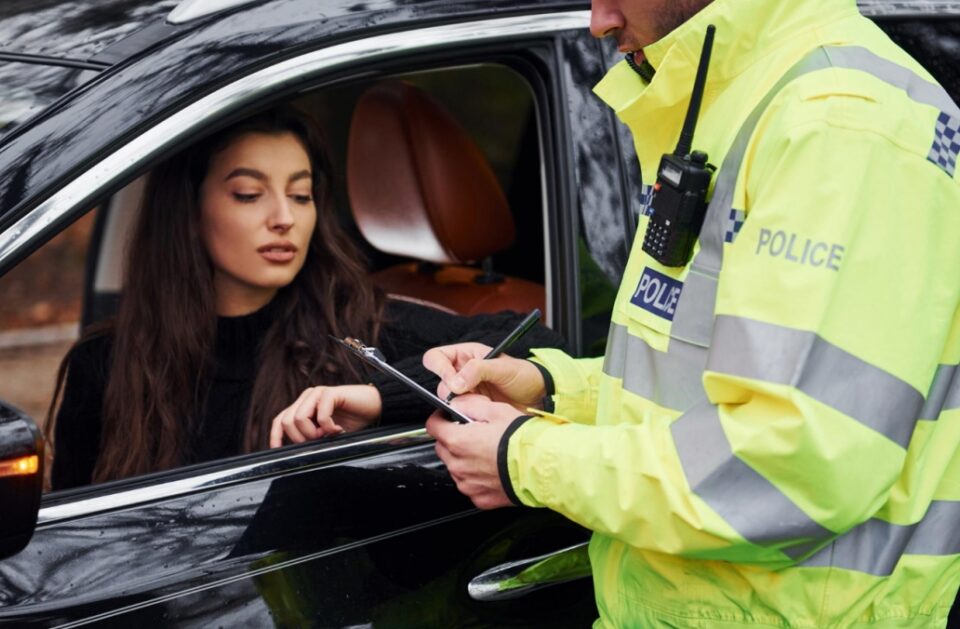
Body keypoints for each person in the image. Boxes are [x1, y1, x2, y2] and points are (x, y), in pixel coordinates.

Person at [424, 0, 960, 627]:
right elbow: (713, 374)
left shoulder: (838, 126)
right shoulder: (744, 97)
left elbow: (788, 465)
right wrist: (552, 391)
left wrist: (527, 459)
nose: (598, 20)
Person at [48, 107, 563, 490]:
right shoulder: (104, 366)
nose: (284, 218)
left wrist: (384, 397)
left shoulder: (357, 326)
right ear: (188, 209)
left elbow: (537, 344)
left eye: (301, 195)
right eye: (250, 194)